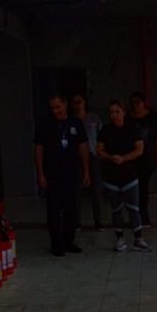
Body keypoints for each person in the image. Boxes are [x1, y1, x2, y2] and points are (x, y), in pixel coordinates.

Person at [34, 93, 90, 255]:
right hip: (53, 173)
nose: (55, 111)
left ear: (65, 105)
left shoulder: (75, 123)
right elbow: (39, 149)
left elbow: (83, 146)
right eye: (52, 108)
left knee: (71, 209)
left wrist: (86, 170)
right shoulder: (45, 124)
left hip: (72, 172)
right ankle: (56, 243)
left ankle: (69, 240)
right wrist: (40, 173)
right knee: (54, 209)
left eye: (58, 107)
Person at [97, 100, 152, 253]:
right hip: (111, 177)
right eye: (111, 112)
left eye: (117, 112)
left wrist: (124, 158)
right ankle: (120, 239)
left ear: (123, 112)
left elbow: (139, 149)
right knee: (116, 209)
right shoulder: (106, 131)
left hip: (130, 176)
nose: (114, 115)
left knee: (134, 208)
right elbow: (99, 150)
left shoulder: (133, 129)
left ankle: (138, 239)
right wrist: (110, 157)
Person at [127, 91, 157, 228]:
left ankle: (143, 215)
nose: (135, 106)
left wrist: (149, 146)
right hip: (131, 158)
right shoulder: (128, 118)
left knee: (142, 188)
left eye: (138, 102)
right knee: (132, 189)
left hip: (147, 158)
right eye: (133, 103)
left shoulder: (152, 116)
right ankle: (135, 216)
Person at [71, 93, 104, 231]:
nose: (77, 104)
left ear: (84, 102)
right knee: (76, 191)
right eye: (75, 102)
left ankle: (98, 222)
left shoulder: (93, 118)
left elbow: (102, 136)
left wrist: (100, 152)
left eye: (80, 101)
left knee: (96, 190)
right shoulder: (71, 121)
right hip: (76, 158)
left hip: (93, 156)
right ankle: (76, 222)